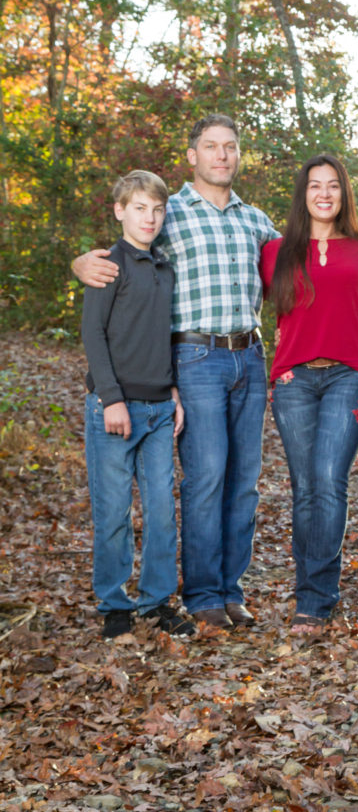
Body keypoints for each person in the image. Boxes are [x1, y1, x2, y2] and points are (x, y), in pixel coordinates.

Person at [73, 115, 279, 629]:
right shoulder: (169, 214)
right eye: (211, 147)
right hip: (196, 357)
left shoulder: (256, 220)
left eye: (230, 147)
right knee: (206, 477)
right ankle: (203, 592)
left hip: (250, 356)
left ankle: (231, 588)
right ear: (193, 155)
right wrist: (79, 264)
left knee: (244, 482)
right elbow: (123, 258)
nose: (222, 155)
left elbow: (304, 261)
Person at [260, 155, 358, 634]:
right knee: (305, 486)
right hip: (294, 380)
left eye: (333, 185)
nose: (324, 193)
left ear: (344, 193)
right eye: (315, 186)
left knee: (329, 479)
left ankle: (317, 600)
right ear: (302, 194)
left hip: (351, 375)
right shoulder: (274, 251)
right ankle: (309, 591)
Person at [81, 170, 195, 640]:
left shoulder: (164, 269)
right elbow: (94, 333)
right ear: (120, 210)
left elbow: (160, 336)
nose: (150, 218)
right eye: (140, 208)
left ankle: (156, 601)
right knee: (113, 514)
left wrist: (171, 389)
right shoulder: (108, 265)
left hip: (158, 408)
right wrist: (111, 399)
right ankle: (114, 603)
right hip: (114, 408)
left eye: (157, 209)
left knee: (161, 512)